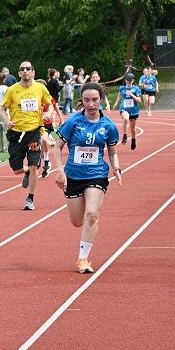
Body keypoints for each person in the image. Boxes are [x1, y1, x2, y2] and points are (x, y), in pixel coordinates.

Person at [53, 82, 121, 274]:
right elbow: (57, 147)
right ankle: (84, 237)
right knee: (77, 221)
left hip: (97, 174)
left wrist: (116, 167)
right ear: (81, 101)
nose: (91, 104)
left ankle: (83, 258)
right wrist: (60, 171)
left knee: (92, 214)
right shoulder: (73, 122)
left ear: (101, 99)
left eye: (95, 100)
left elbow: (113, 151)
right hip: (73, 175)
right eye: (87, 100)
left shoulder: (108, 126)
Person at [0, 61, 52, 211]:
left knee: (34, 166)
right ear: (19, 73)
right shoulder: (12, 90)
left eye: (28, 69)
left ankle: (30, 198)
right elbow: (1, 109)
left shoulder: (40, 88)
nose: (26, 71)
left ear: (33, 72)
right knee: (17, 169)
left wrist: (48, 113)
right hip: (16, 134)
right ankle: (26, 171)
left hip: (34, 132)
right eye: (22, 69)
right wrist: (7, 121)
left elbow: (51, 103)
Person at [113, 73, 142, 150]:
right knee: (126, 118)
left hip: (133, 110)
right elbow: (119, 95)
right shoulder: (122, 88)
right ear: (125, 80)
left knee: (133, 129)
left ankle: (133, 140)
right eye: (127, 80)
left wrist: (132, 95)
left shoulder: (136, 89)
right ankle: (125, 135)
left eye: (130, 80)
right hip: (124, 108)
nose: (129, 81)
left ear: (133, 80)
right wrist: (116, 103)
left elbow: (139, 100)